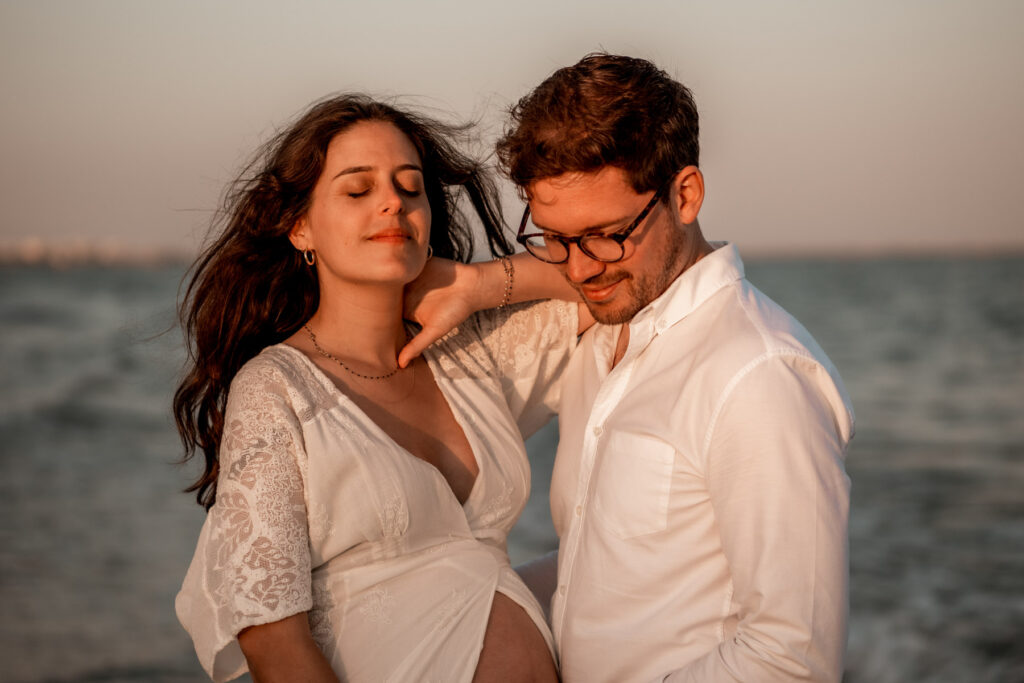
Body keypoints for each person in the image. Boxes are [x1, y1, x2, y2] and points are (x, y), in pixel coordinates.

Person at [402, 53, 855, 682]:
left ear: (686, 194)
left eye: (606, 234)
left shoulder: (757, 377)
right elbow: (604, 567)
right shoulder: (601, 338)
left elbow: (792, 659)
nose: (581, 269)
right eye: (556, 238)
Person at [173, 94, 592, 682]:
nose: (393, 201)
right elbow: (274, 642)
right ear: (299, 226)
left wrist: (476, 283)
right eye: (357, 189)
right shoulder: (275, 391)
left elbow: (617, 282)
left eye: (410, 186)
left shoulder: (469, 355)